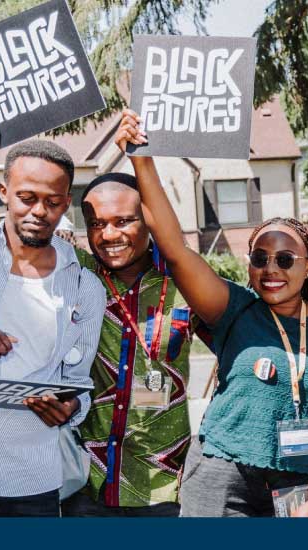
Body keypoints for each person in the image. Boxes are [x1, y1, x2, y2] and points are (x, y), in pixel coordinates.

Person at [116, 109, 308, 517]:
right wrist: (141, 158)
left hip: (296, 484)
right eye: (260, 258)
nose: (271, 269)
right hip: (219, 475)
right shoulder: (235, 308)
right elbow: (175, 248)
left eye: (285, 258)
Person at [0, 82, 103, 517]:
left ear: (67, 203)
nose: (37, 211)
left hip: (31, 479)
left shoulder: (86, 288)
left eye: (51, 201)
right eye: (26, 197)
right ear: (4, 192)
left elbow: (79, 382)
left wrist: (70, 406)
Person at [62, 172, 196, 517]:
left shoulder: (186, 281)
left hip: (163, 484)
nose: (109, 235)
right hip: (85, 482)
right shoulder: (76, 274)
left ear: (149, 220)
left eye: (123, 221)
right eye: (96, 224)